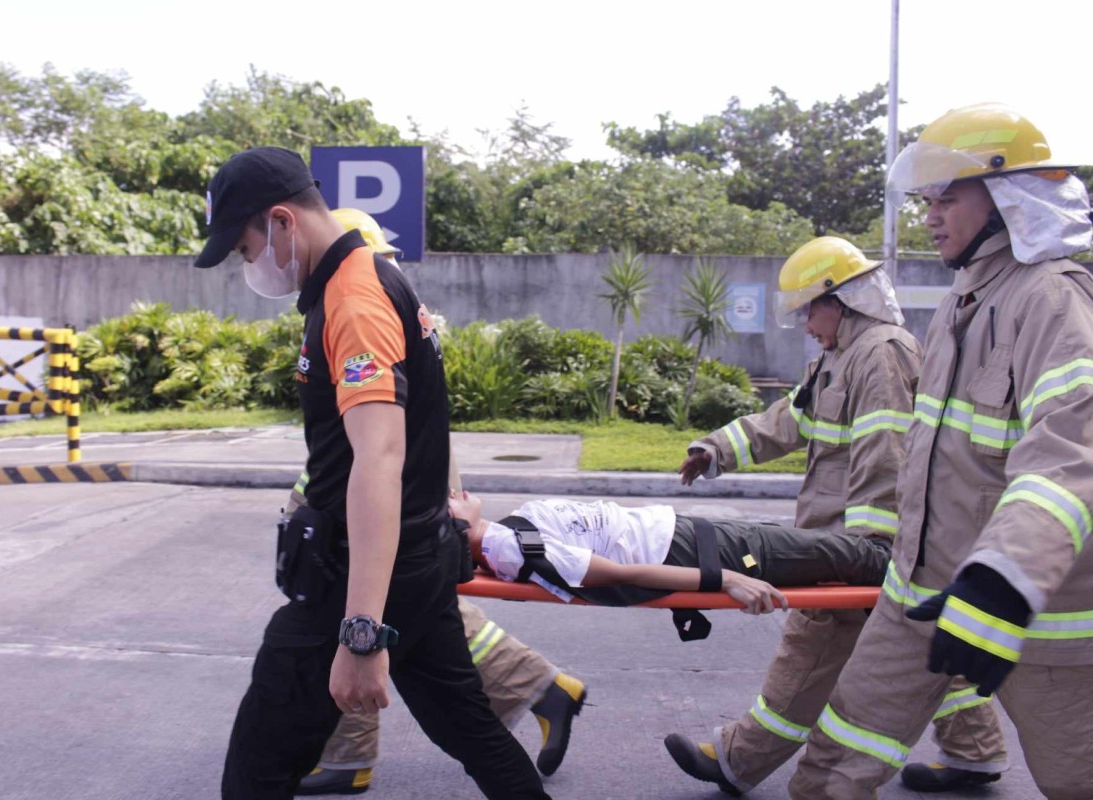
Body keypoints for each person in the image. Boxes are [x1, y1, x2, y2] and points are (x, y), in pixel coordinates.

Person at [197, 147, 550, 800]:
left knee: (259, 766)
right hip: (414, 560)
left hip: (356, 574)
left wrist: (360, 631)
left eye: (244, 249)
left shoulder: (354, 300)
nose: (248, 266)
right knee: (469, 730)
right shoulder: (350, 283)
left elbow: (378, 460)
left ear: (281, 222)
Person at [788, 104, 1093, 800]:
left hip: (1034, 614)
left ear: (1009, 197)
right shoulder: (964, 301)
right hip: (918, 591)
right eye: (927, 200)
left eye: (947, 197)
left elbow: (1070, 454)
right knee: (832, 770)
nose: (931, 215)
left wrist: (1000, 581)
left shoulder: (1053, 301)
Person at [663, 236, 1007, 795]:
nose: (803, 324)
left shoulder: (880, 352)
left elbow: (887, 454)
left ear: (842, 300)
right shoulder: (842, 355)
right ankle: (976, 753)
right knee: (925, 641)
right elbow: (791, 418)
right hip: (864, 542)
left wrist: (869, 548)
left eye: (809, 310)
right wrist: (717, 449)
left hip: (857, 542)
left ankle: (736, 759)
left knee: (814, 641)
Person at [298, 212, 586, 796]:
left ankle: (352, 753)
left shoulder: (363, 307)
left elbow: (380, 453)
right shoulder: (391, 301)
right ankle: (541, 686)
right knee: (462, 716)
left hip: (394, 539)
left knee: (366, 644)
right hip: (404, 536)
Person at [454, 491, 889, 609]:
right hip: (691, 553)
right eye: (446, 502)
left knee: (838, 553)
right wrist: (727, 579)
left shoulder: (505, 535)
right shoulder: (513, 549)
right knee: (851, 557)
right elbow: (622, 576)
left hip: (686, 534)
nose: (453, 491)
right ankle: (927, 576)